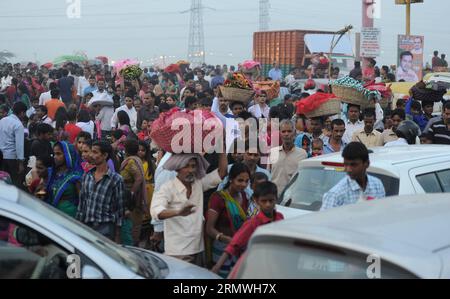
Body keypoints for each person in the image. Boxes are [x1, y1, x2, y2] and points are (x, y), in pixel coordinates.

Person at [150, 153, 228, 266]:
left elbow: (222, 173)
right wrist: (178, 212)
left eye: (193, 166)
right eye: (186, 166)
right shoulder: (167, 188)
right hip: (178, 251)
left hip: (198, 248)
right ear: (177, 168)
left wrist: (222, 148)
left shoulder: (198, 184)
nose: (191, 170)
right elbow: (156, 211)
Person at [211, 182, 284, 274]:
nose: (268, 204)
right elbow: (234, 244)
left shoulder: (280, 217)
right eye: (264, 201)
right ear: (256, 201)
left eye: (271, 200)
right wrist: (217, 266)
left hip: (275, 265)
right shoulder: (253, 223)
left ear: (276, 199)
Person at [206, 163, 251, 277]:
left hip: (239, 247)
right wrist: (225, 238)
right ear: (231, 179)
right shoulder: (219, 198)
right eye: (240, 180)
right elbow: (209, 228)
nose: (244, 184)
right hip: (222, 248)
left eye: (247, 181)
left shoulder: (245, 197)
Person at [77, 141, 125, 241]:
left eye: (95, 152)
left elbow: (119, 210)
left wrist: (117, 235)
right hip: (87, 226)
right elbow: (82, 204)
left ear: (104, 155)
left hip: (105, 228)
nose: (91, 155)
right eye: (91, 152)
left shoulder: (116, 179)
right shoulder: (87, 175)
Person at [320, 142, 385, 211]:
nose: (348, 169)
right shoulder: (336, 194)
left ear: (366, 163)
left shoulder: (377, 185)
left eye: (353, 165)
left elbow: (381, 213)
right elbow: (325, 220)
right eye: (346, 164)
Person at [120, 139, 148, 246]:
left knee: (133, 226)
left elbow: (139, 178)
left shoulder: (131, 161)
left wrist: (131, 192)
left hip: (132, 199)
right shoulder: (137, 159)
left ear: (126, 150)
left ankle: (133, 248)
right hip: (134, 197)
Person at [268, 120, 308, 196]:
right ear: (280, 133)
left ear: (294, 133)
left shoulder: (303, 154)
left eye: (289, 131)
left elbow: (304, 178)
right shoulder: (273, 152)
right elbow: (269, 175)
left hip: (293, 197)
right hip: (274, 196)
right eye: (283, 131)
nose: (286, 134)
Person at [46, 141, 83, 217]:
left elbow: (82, 202)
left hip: (69, 218)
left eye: (58, 154)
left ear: (68, 155)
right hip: (52, 217)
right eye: (54, 154)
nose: (55, 157)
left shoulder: (76, 176)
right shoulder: (52, 173)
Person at [0, 102, 27, 188]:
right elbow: (19, 145)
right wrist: (21, 163)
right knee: (14, 183)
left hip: (1, 156)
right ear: (22, 112)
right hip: (12, 158)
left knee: (3, 182)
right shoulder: (18, 125)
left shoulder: (2, 120)